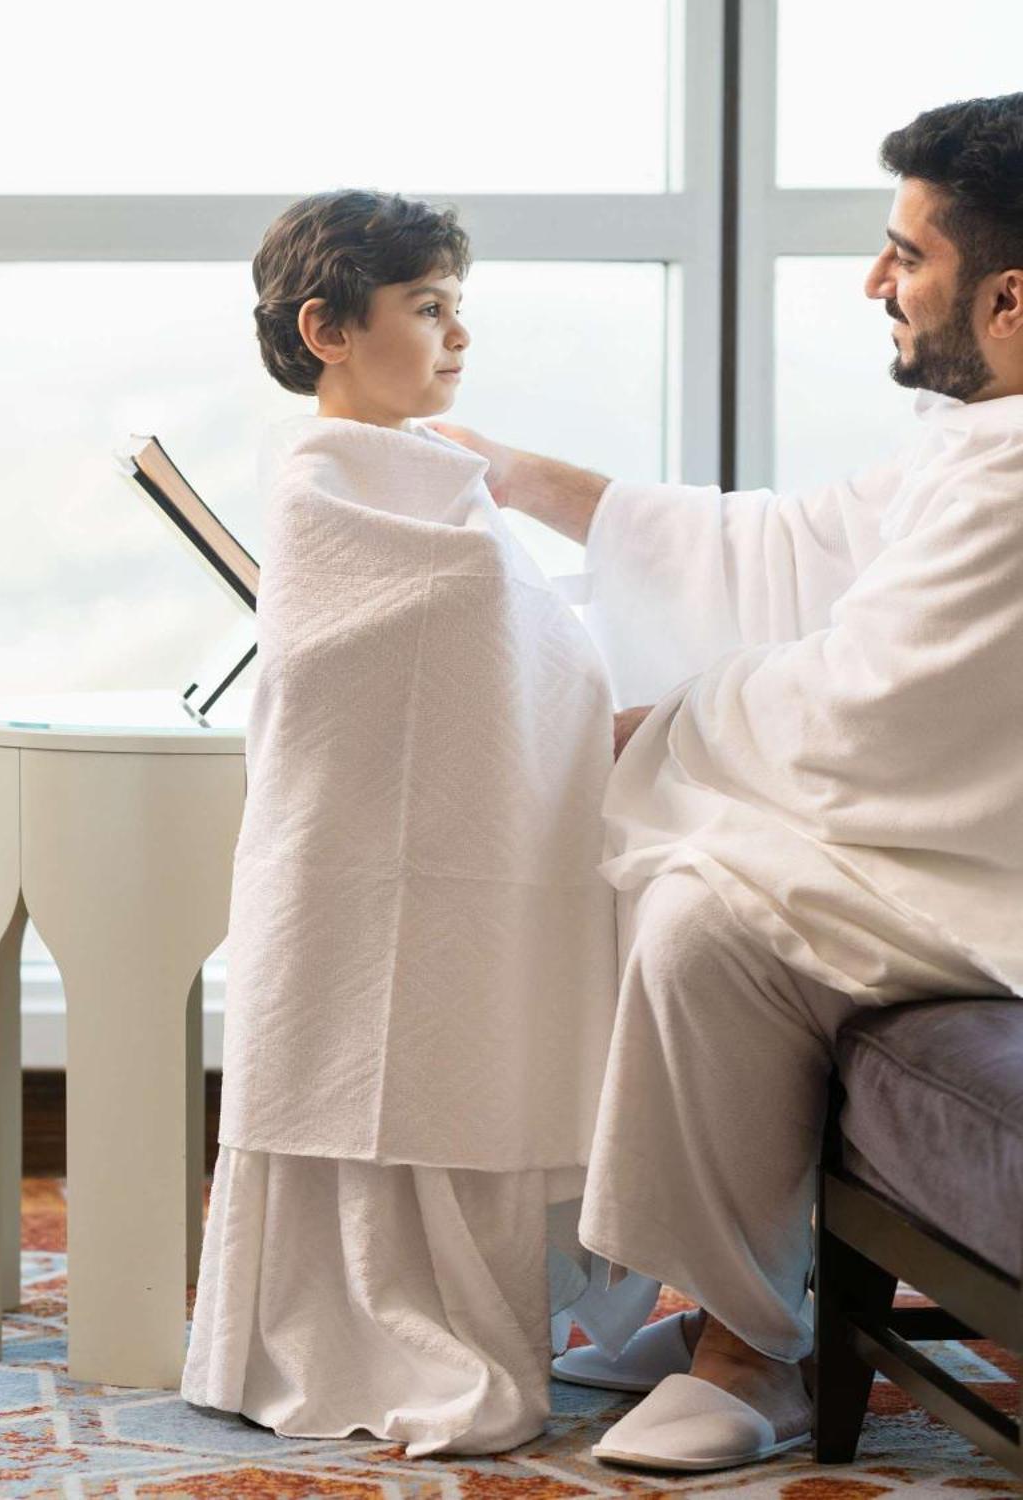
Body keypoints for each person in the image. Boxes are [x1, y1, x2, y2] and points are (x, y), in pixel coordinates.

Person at [431, 92, 1023, 1473]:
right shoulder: (985, 436)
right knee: (690, 890)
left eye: (907, 256)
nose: (876, 282)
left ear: (1011, 298)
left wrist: (668, 725)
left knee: (705, 911)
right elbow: (801, 547)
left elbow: (877, 708)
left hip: (990, 864)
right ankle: (730, 1307)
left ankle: (748, 1350)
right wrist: (519, 479)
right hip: (945, 836)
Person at [181, 188, 659, 1456]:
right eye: (427, 308)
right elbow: (422, 635)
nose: (456, 338)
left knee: (462, 1045)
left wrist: (557, 660)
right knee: (384, 1063)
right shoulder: (322, 484)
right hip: (352, 847)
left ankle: (506, 1306)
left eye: (459, 309)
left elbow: (507, 634)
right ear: (325, 328)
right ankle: (363, 1326)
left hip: (457, 846)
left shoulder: (442, 476)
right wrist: (553, 654)